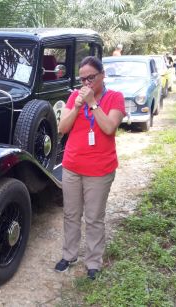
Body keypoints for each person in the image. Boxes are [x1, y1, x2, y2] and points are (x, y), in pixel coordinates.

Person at [55, 56, 126, 280]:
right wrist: (76, 106)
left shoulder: (115, 98)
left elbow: (109, 128)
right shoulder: (74, 97)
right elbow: (62, 128)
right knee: (71, 214)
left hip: (100, 169)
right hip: (72, 166)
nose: (86, 83)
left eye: (91, 78)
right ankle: (69, 254)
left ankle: (93, 261)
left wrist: (93, 103)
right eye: (82, 79)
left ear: (102, 75)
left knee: (94, 217)